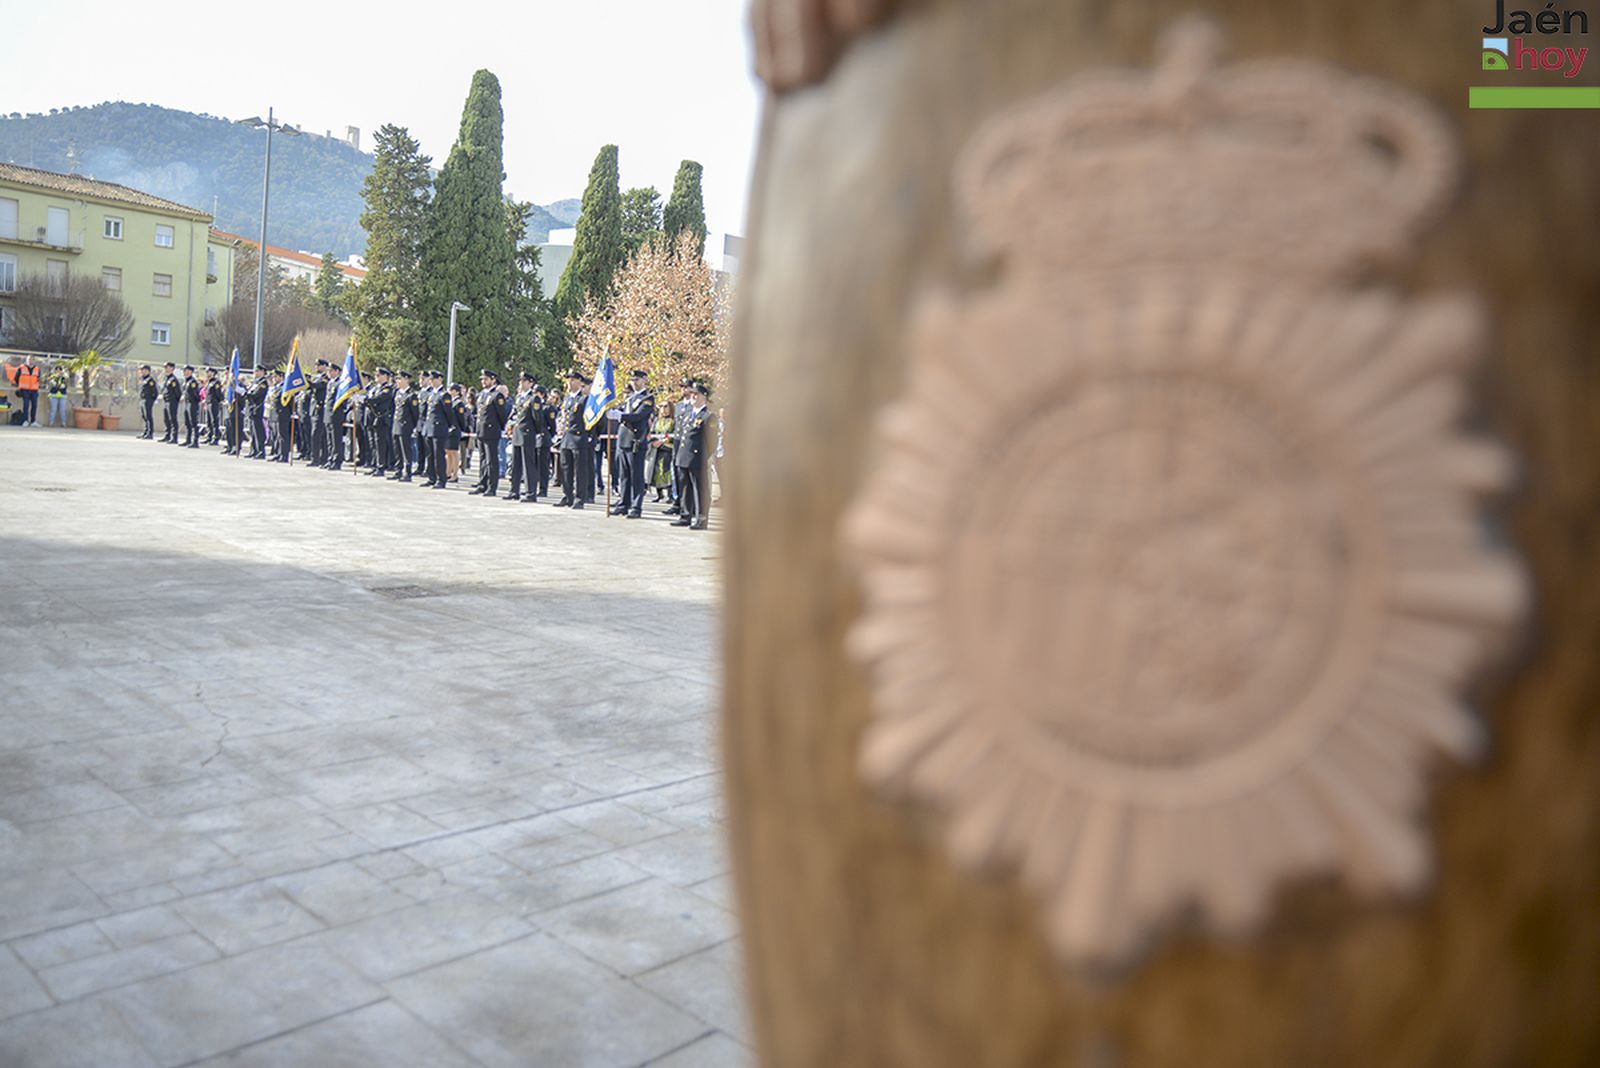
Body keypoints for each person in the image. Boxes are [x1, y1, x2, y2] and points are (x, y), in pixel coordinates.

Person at [611, 369, 656, 519]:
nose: (634, 383)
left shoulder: (647, 398)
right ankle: (624, 503)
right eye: (632, 380)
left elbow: (638, 416)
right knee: (624, 475)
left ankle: (636, 506)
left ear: (644, 380)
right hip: (623, 440)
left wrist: (621, 415)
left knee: (636, 476)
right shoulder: (629, 399)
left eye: (637, 380)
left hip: (635, 441)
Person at [674, 381, 713, 530]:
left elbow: (712, 442)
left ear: (704, 397)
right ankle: (685, 515)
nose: (693, 397)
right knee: (685, 488)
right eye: (692, 394)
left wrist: (703, 456)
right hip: (683, 456)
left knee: (700, 490)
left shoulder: (708, 416)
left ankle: (701, 518)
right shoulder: (687, 414)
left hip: (697, 458)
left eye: (697, 394)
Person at [470, 370, 508, 497]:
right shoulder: (481, 395)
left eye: (486, 379)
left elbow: (502, 415)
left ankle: (492, 487)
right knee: (483, 459)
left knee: (492, 460)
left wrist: (500, 428)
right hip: (481, 430)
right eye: (482, 379)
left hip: (491, 431)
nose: (483, 382)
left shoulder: (497, 396)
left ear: (493, 380)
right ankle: (482, 484)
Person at [555, 371, 590, 510]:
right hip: (566, 437)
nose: (570, 382)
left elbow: (591, 420)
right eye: (569, 380)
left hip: (579, 437)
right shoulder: (567, 399)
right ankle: (567, 495)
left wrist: (589, 436)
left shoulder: (584, 399)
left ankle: (580, 498)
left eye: (573, 380)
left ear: (581, 383)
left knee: (580, 470)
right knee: (565, 469)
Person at [505, 372, 539, 501]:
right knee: (515, 464)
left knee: (528, 465)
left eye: (524, 381)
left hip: (527, 433)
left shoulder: (533, 398)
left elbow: (537, 418)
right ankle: (514, 491)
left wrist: (536, 432)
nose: (521, 383)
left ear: (530, 383)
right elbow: (514, 414)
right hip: (517, 433)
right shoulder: (519, 397)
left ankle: (531, 493)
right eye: (520, 381)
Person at [664, 378, 694, 514]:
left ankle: (688, 505)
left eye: (686, 386)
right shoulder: (679, 406)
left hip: (687, 444)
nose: (683, 389)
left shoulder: (694, 406)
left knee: (687, 475)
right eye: (682, 386)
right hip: (677, 442)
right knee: (675, 473)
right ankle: (677, 502)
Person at [389, 370, 418, 482]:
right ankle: (398, 470)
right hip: (396, 424)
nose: (397, 381)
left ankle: (408, 472)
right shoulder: (397, 393)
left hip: (405, 426)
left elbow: (415, 414)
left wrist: (412, 427)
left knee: (406, 450)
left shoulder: (411, 395)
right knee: (397, 450)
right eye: (397, 379)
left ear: (406, 379)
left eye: (400, 379)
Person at [364, 368, 394, 476]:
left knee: (380, 444)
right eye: (376, 374)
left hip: (381, 419)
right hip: (372, 419)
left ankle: (381, 466)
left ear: (385, 376)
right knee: (373, 444)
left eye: (379, 375)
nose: (376, 376)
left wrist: (365, 400)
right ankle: (375, 464)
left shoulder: (387, 389)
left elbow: (378, 399)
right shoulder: (374, 388)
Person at [648, 405, 675, 502]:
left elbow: (674, 434)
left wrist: (663, 441)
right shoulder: (657, 420)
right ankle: (659, 494)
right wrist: (653, 441)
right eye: (661, 407)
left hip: (668, 449)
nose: (663, 409)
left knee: (667, 472)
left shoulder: (673, 421)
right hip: (657, 450)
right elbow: (652, 432)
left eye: (666, 406)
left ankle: (670, 494)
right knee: (656, 472)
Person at [243, 367, 269, 459]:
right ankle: (253, 450)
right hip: (251, 409)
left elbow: (256, 395)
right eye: (254, 371)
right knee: (253, 431)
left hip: (257, 409)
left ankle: (260, 451)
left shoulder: (263, 383)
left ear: (262, 372)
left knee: (258, 432)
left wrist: (246, 394)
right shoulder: (255, 382)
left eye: (257, 371)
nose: (255, 373)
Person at [309, 360, 331, 467]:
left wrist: (306, 382)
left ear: (324, 366)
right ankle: (316, 457)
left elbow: (317, 386)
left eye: (318, 365)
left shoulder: (325, 378)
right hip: (314, 409)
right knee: (315, 435)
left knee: (319, 435)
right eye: (315, 365)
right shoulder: (316, 377)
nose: (316, 367)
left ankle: (320, 458)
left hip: (321, 409)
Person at [14, 356, 40, 427]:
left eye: (33, 360)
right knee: (26, 405)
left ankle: (33, 421)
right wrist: (19, 386)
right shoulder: (21, 368)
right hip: (25, 389)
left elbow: (38, 378)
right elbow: (16, 378)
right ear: (26, 360)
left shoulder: (37, 369)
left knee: (34, 405)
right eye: (29, 359)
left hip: (34, 390)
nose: (31, 361)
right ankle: (25, 421)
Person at [181, 365, 201, 448]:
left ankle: (195, 441)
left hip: (192, 403)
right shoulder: (186, 381)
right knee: (187, 423)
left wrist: (194, 403)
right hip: (187, 403)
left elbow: (196, 394)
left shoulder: (193, 382)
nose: (185, 372)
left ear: (190, 372)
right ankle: (188, 440)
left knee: (193, 423)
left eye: (186, 371)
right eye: (184, 371)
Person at [160, 362, 181, 443]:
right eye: (165, 367)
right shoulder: (167, 378)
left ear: (172, 368)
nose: (165, 369)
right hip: (166, 401)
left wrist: (174, 401)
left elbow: (177, 393)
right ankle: (167, 435)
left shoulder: (173, 380)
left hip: (172, 402)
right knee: (166, 419)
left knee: (172, 419)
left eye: (167, 367)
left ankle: (174, 437)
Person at [204, 368, 224, 444]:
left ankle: (215, 437)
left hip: (214, 403)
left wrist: (218, 401)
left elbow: (218, 393)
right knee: (208, 421)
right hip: (209, 402)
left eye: (209, 372)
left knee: (214, 421)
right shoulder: (209, 382)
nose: (208, 374)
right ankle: (209, 436)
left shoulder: (216, 382)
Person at [138, 366, 158, 439]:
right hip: (143, 399)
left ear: (149, 371)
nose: (143, 372)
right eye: (142, 370)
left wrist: (151, 400)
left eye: (145, 370)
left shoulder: (150, 380)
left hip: (148, 400)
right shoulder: (144, 380)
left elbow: (155, 392)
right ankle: (145, 432)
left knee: (148, 416)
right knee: (144, 416)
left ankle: (150, 433)